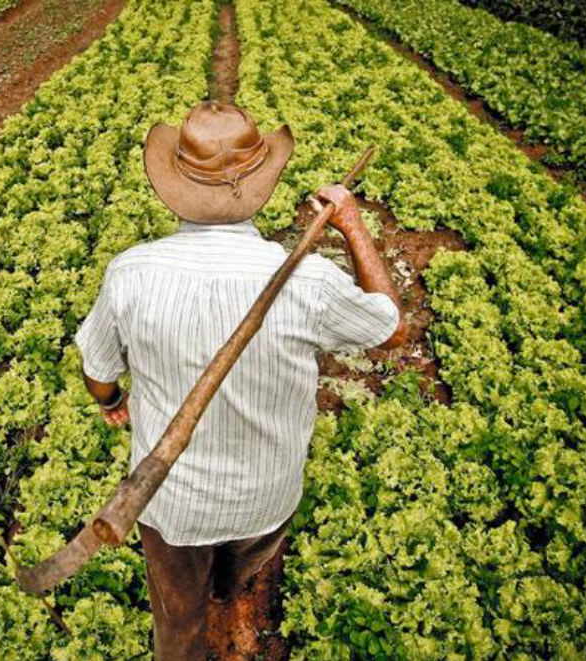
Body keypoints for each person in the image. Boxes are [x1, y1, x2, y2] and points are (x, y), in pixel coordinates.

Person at [73, 100, 406, 660]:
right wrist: (351, 224)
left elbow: (98, 372)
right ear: (263, 184)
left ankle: (197, 621)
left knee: (177, 623)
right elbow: (389, 328)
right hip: (265, 496)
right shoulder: (309, 280)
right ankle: (229, 590)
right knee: (242, 565)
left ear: (174, 184)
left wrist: (112, 401)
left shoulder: (130, 273)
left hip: (170, 507)